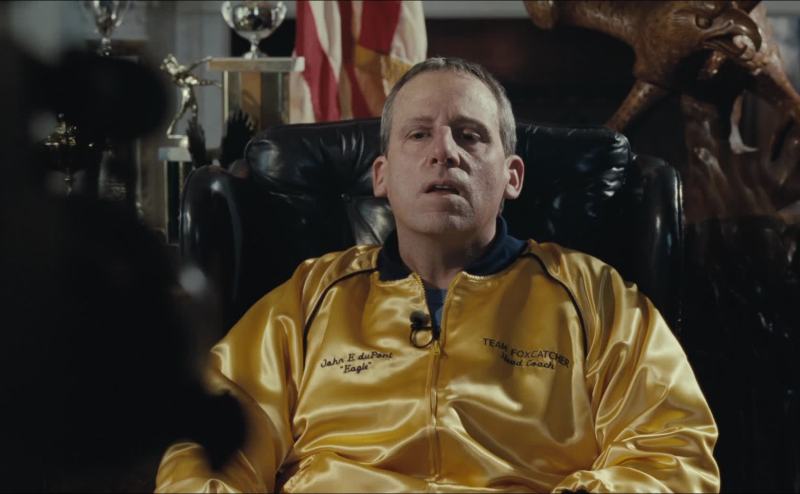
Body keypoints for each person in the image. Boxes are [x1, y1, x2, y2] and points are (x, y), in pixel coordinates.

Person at [155, 57, 720, 493]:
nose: (444, 151)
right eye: (419, 134)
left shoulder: (595, 296)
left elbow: (671, 453)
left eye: (470, 135)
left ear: (512, 176)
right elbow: (208, 448)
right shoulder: (308, 298)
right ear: (381, 176)